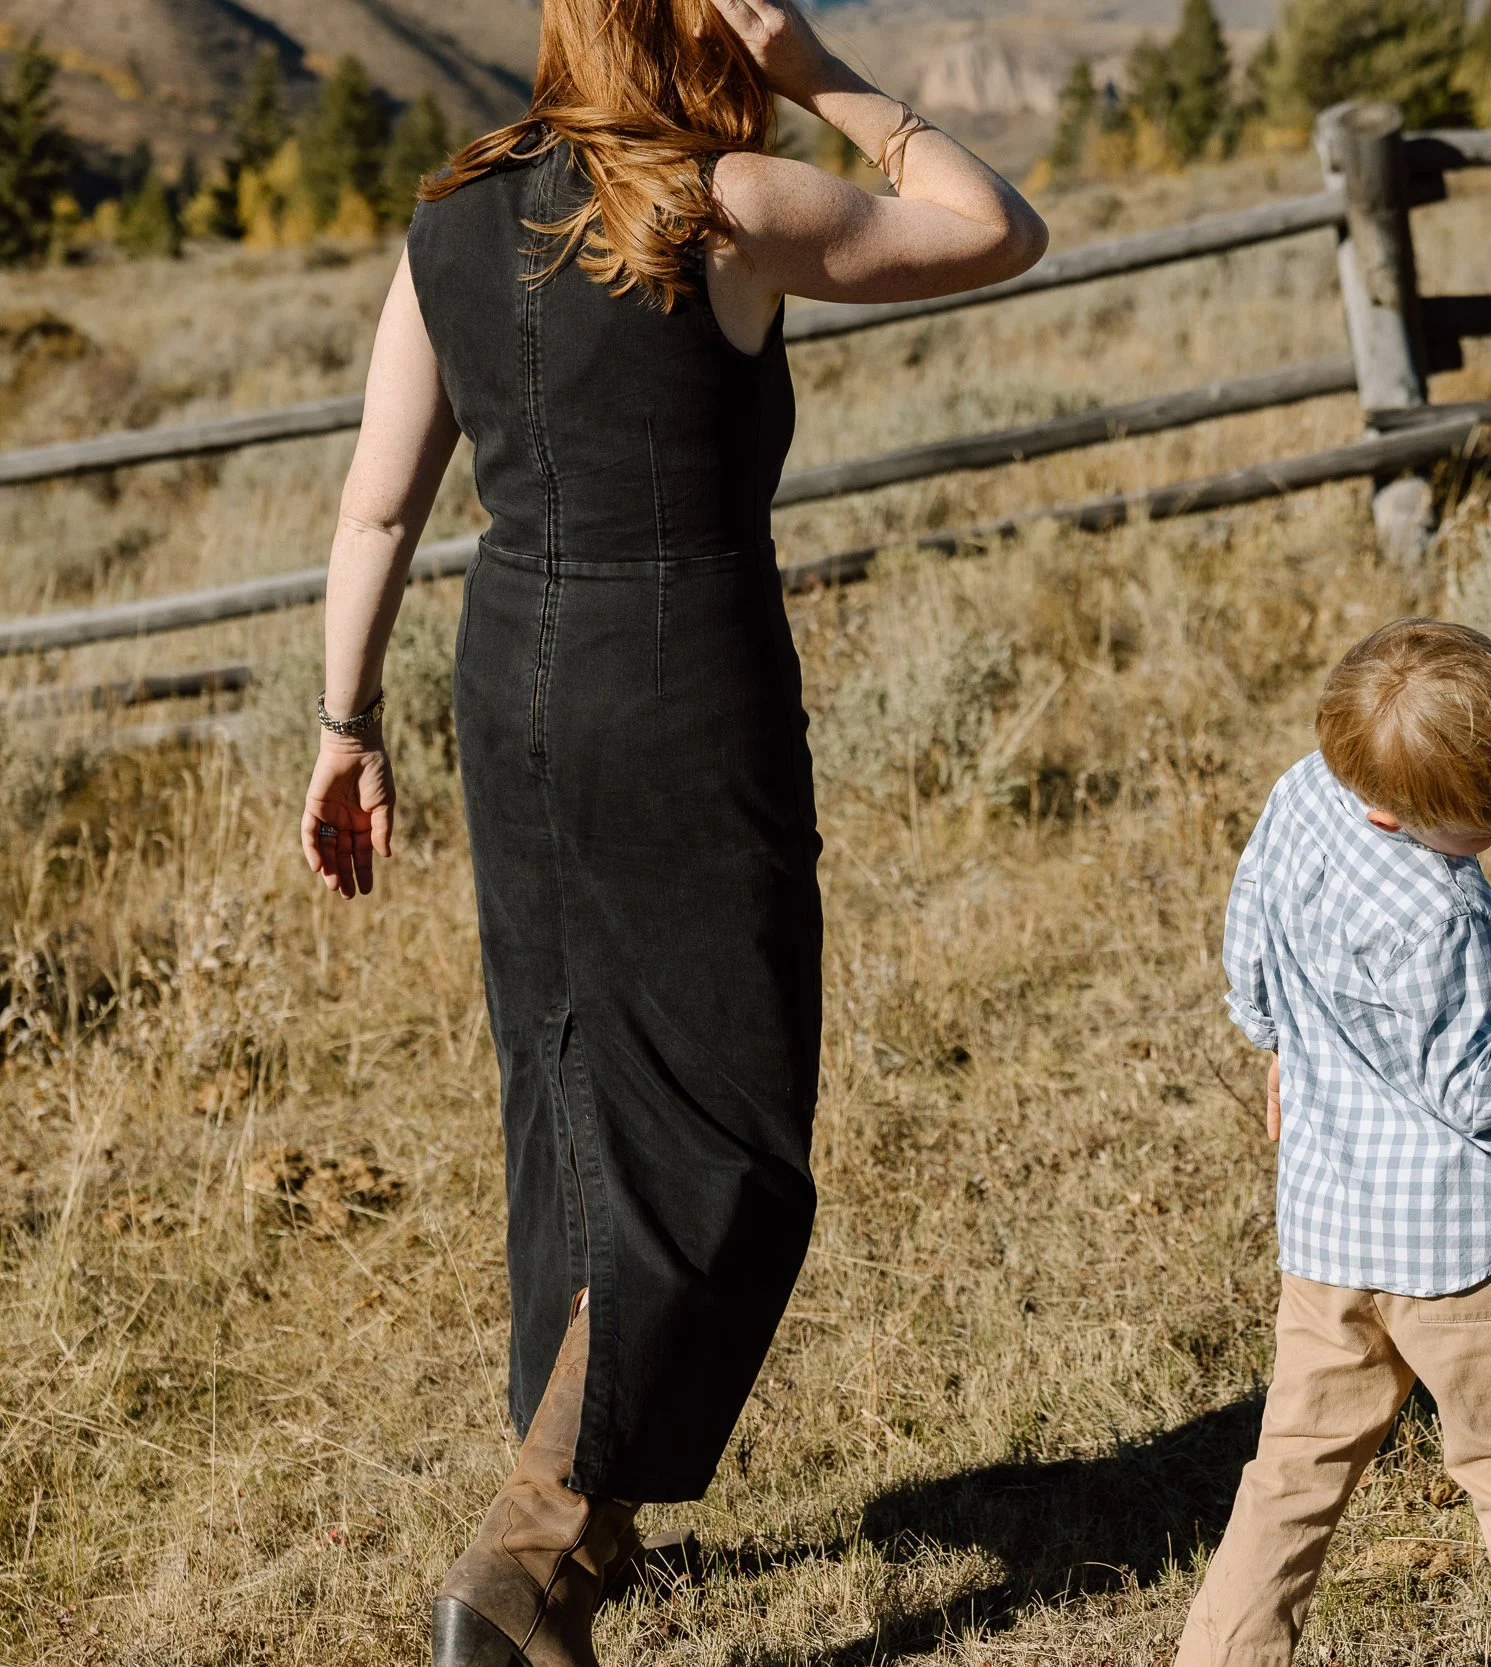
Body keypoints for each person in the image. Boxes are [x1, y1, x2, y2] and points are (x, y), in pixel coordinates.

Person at [296, 0, 1045, 1661]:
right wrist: (819, 75)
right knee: (724, 1114)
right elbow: (1001, 228)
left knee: (569, 1074)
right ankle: (540, 1548)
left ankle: (583, 1498)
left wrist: (347, 725)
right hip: (679, 669)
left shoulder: (452, 210)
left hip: (511, 675)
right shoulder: (717, 204)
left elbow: (376, 500)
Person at [1179, 619, 1491, 1667]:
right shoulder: (1449, 922)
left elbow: (1251, 924)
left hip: (1328, 1233)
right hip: (1460, 1260)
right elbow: (1470, 1086)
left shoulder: (1300, 792)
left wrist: (1275, 1036)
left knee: (1288, 1478)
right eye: (1479, 831)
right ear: (1389, 805)